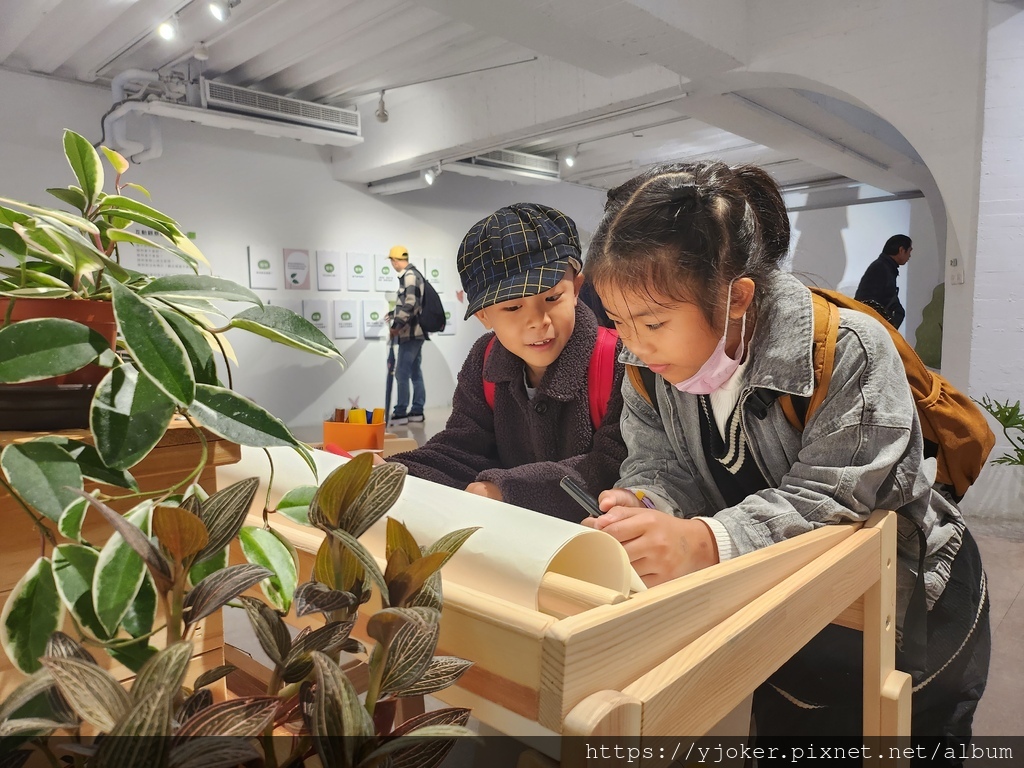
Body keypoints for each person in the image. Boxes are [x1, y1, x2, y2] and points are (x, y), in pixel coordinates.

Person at [582, 162, 988, 758]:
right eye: (618, 322)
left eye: (654, 322)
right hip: (782, 615)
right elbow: (658, 464)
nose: (635, 345)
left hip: (909, 612)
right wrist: (647, 505)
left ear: (737, 296)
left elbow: (833, 501)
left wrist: (700, 542)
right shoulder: (649, 370)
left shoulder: (848, 349)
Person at [388, 203, 628, 518]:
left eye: (552, 297)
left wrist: (509, 490)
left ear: (577, 289)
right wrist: (397, 472)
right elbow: (464, 447)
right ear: (483, 316)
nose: (537, 321)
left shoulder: (619, 360)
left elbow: (612, 465)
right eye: (513, 308)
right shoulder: (484, 359)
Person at [386, 245, 426, 425]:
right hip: (414, 333)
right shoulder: (413, 275)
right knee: (415, 372)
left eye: (392, 261)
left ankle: (401, 412)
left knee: (401, 372)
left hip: (410, 333)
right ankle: (417, 410)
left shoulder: (409, 276)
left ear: (395, 261)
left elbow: (411, 304)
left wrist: (396, 325)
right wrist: (394, 315)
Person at [855, 234, 913, 329]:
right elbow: (869, 301)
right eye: (909, 251)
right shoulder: (881, 268)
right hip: (870, 325)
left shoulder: (885, 267)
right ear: (901, 250)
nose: (909, 256)